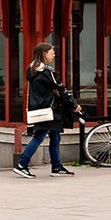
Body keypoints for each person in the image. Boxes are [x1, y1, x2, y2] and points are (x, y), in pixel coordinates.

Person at [15, 42, 80, 178]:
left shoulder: (32, 70)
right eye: (52, 53)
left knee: (55, 137)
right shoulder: (46, 72)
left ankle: (56, 167)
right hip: (49, 109)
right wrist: (74, 105)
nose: (54, 55)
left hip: (40, 108)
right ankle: (22, 164)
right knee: (40, 136)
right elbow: (61, 89)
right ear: (44, 54)